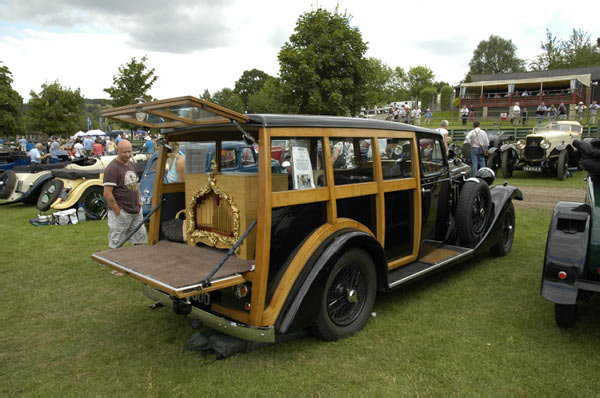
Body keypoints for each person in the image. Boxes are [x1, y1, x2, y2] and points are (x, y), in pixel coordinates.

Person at [103, 139, 147, 249]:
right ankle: (113, 263)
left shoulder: (131, 164)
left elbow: (136, 184)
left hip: (136, 210)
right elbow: (107, 193)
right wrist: (117, 211)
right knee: (116, 242)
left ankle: (138, 261)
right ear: (117, 151)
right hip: (122, 212)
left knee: (140, 239)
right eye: (124, 152)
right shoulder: (112, 169)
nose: (128, 154)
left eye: (129, 151)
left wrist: (139, 200)